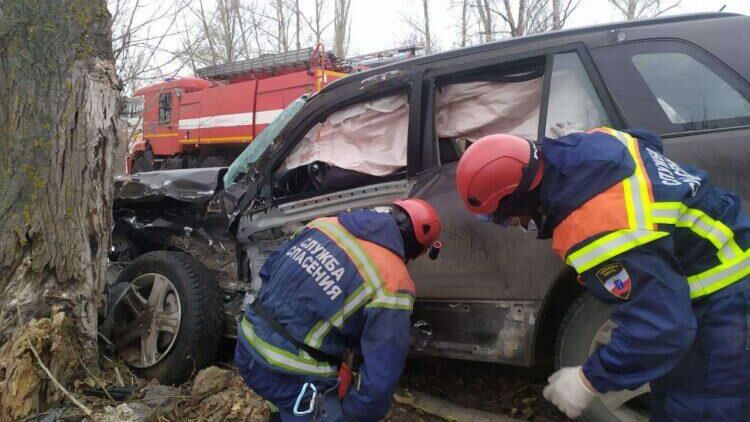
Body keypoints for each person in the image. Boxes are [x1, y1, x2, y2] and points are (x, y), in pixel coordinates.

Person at [455, 126, 750, 421]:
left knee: (698, 407)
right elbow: (648, 138)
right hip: (727, 255)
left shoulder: (594, 226)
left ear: (519, 200)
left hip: (724, 306)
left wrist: (589, 380)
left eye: (504, 218)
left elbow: (662, 329)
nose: (515, 225)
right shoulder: (596, 143)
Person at [234, 199, 442, 421]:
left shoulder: (323, 225)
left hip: (247, 348)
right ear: (417, 249)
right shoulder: (394, 279)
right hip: (290, 374)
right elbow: (380, 378)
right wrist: (353, 414)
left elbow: (267, 273)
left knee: (285, 401)